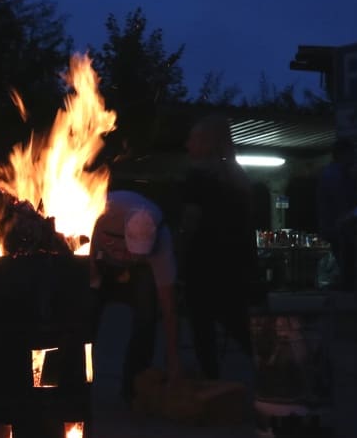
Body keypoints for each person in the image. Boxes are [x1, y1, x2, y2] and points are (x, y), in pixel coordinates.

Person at [179, 114, 255, 380]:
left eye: (193, 139)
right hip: (234, 264)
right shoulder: (238, 176)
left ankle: (211, 383)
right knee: (238, 324)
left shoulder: (197, 177)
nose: (188, 144)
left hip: (202, 263)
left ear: (205, 142)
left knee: (202, 326)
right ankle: (278, 369)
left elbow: (191, 222)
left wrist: (179, 255)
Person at [89, 190, 180, 403]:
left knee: (147, 316)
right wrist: (92, 282)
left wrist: (174, 359)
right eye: (132, 251)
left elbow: (168, 304)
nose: (131, 257)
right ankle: (74, 380)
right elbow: (85, 256)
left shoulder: (161, 240)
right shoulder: (101, 212)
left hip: (140, 272)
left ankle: (134, 386)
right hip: (100, 261)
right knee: (87, 316)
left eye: (139, 254)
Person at [316, 139, 357, 282]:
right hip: (341, 228)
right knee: (348, 264)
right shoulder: (336, 175)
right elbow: (342, 203)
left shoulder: (332, 173)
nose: (355, 157)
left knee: (346, 264)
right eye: (352, 153)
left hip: (336, 227)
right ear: (344, 154)